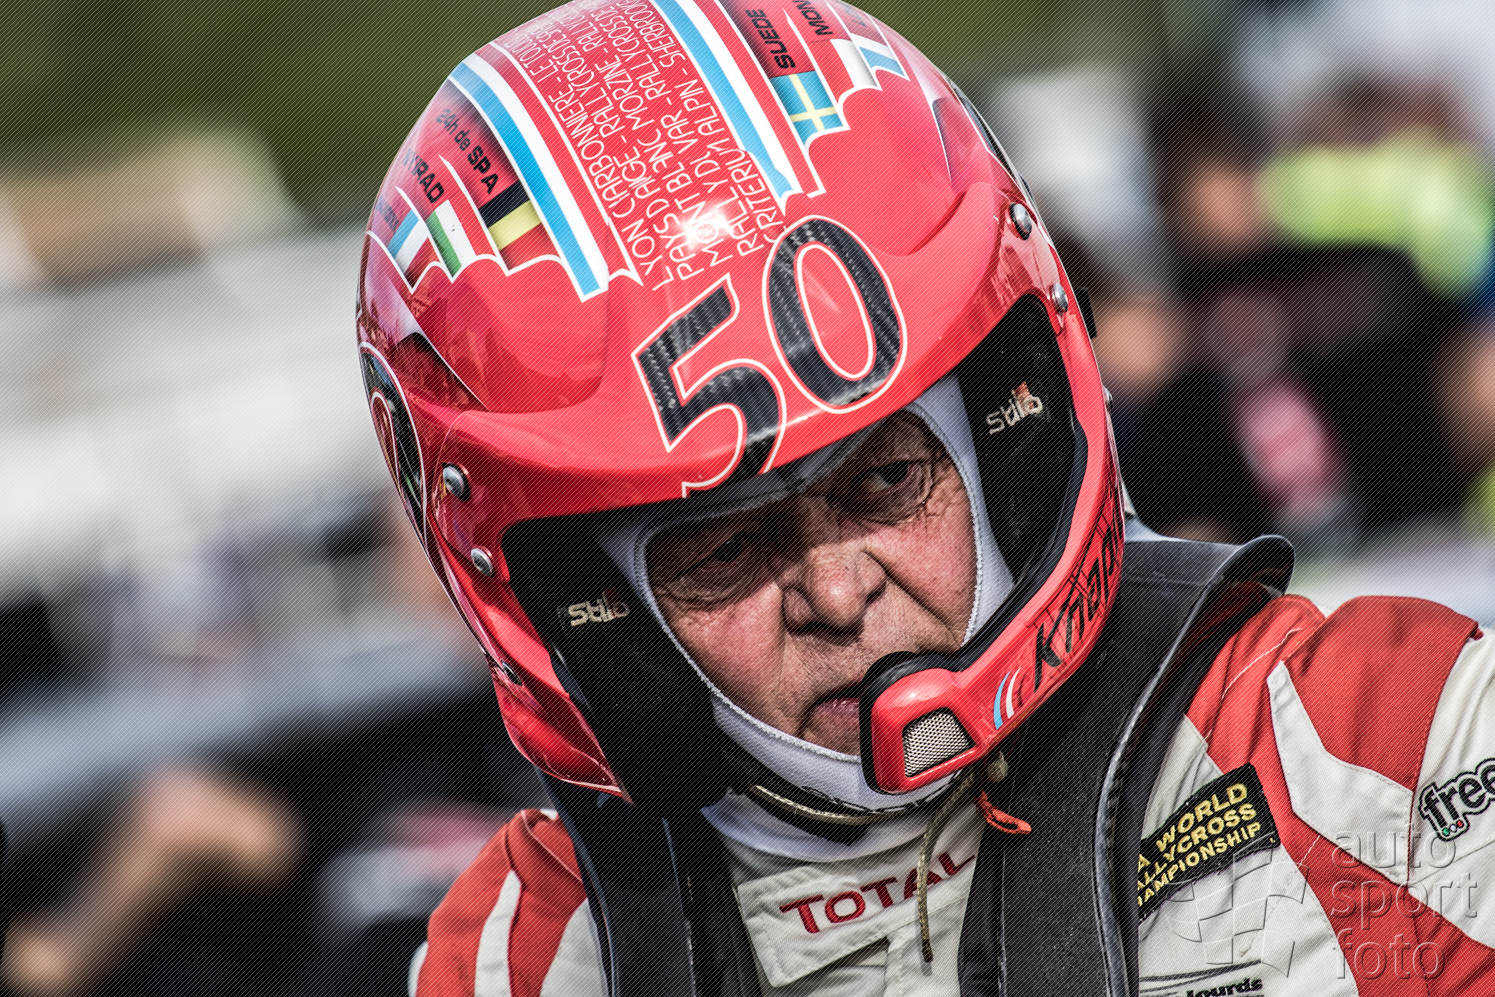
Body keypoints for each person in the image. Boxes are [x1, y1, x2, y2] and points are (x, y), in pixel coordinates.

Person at [353, 2, 1495, 993]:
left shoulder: (1380, 743)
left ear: (1007, 432)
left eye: (884, 481)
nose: (837, 591)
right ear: (584, 606)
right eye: (725, 550)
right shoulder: (525, 954)